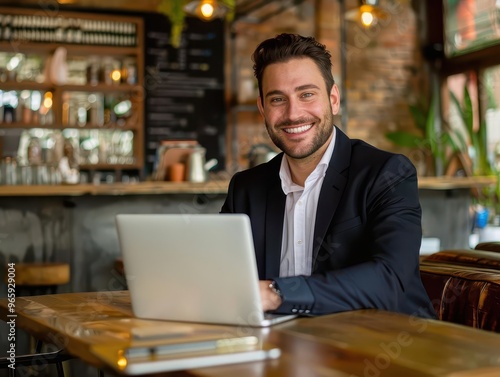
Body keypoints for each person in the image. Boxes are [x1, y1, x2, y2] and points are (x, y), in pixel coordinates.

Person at [221, 33, 436, 319]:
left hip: (382, 344)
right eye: (277, 99)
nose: (293, 113)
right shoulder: (246, 188)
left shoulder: (386, 174)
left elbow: (390, 279)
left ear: (333, 99)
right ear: (262, 108)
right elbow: (219, 273)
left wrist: (276, 294)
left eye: (306, 94)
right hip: (279, 345)